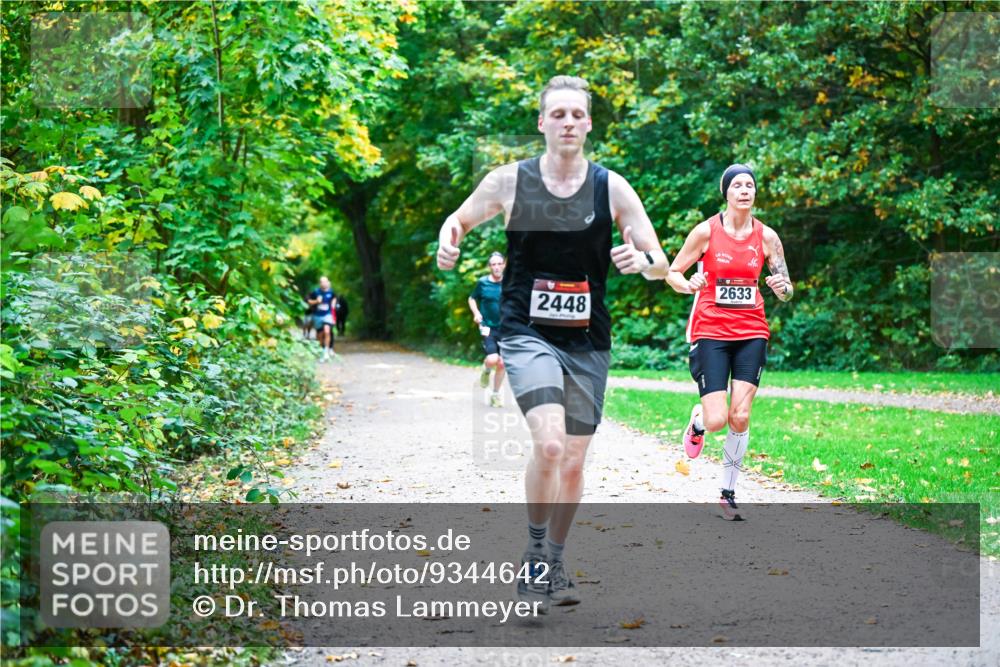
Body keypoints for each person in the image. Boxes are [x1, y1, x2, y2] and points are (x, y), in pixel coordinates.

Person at [437, 75, 669, 612]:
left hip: (589, 341)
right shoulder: (508, 182)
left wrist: (643, 263)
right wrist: (448, 238)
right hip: (525, 333)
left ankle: (555, 560)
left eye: (577, 115)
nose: (568, 122)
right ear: (542, 123)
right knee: (549, 444)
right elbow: (459, 219)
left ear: (589, 124)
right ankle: (536, 552)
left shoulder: (611, 188)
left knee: (573, 461)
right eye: (557, 114)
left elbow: (660, 261)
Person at [665, 164, 793, 521]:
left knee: (740, 415)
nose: (744, 190)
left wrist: (783, 289)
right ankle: (699, 422)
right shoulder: (706, 232)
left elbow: (786, 286)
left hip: (752, 329)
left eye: (749, 185)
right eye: (736, 185)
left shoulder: (767, 237)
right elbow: (673, 273)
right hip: (711, 331)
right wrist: (688, 284)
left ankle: (727, 491)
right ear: (726, 192)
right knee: (718, 419)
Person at [469, 252, 507, 407]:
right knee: (492, 359)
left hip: (506, 328)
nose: (496, 267)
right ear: (489, 267)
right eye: (493, 264)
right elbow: (471, 298)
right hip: (488, 327)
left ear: (504, 265)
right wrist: (477, 313)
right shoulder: (483, 283)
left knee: (503, 363)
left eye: (499, 264)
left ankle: (496, 394)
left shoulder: (510, 282)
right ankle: (486, 370)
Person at [308, 276, 338, 362]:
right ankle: (322, 350)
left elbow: (334, 298)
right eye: (321, 282)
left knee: (327, 331)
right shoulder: (315, 292)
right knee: (319, 335)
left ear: (328, 282)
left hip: (327, 314)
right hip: (317, 315)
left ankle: (326, 351)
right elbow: (308, 301)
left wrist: (333, 304)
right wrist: (316, 301)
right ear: (319, 283)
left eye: (325, 282)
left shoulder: (331, 292)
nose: (323, 283)